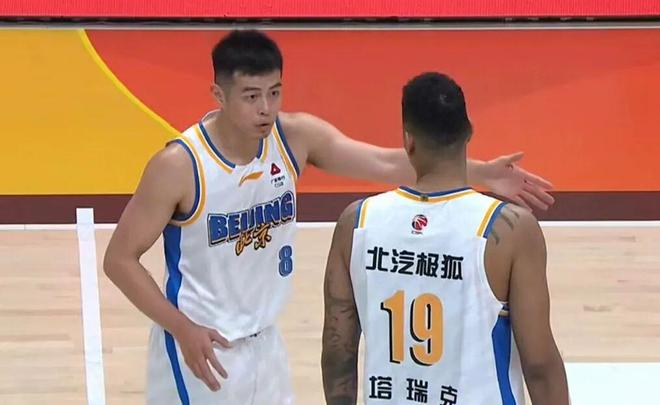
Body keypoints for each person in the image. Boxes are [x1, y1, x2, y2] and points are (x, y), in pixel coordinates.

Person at [103, 30, 554, 404]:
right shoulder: (179, 166)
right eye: (251, 96)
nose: (265, 108)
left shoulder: (294, 137)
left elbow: (383, 162)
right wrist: (181, 328)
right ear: (218, 95)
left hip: (265, 343)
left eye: (274, 92)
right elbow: (119, 260)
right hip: (201, 348)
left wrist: (483, 174)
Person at [321, 72, 568, 405]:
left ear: (408, 141)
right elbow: (539, 365)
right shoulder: (511, 229)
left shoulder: (355, 222)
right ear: (469, 132)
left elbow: (338, 353)